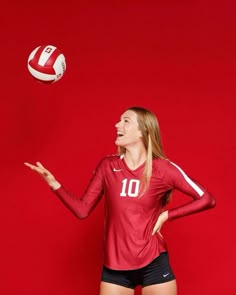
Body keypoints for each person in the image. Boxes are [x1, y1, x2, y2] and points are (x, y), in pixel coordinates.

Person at [24, 106, 216, 295]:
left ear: (143, 131)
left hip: (154, 262)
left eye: (126, 121)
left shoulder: (163, 169)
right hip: (115, 267)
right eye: (119, 120)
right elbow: (82, 210)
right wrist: (54, 184)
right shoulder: (108, 166)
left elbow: (207, 199)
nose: (117, 125)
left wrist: (167, 215)